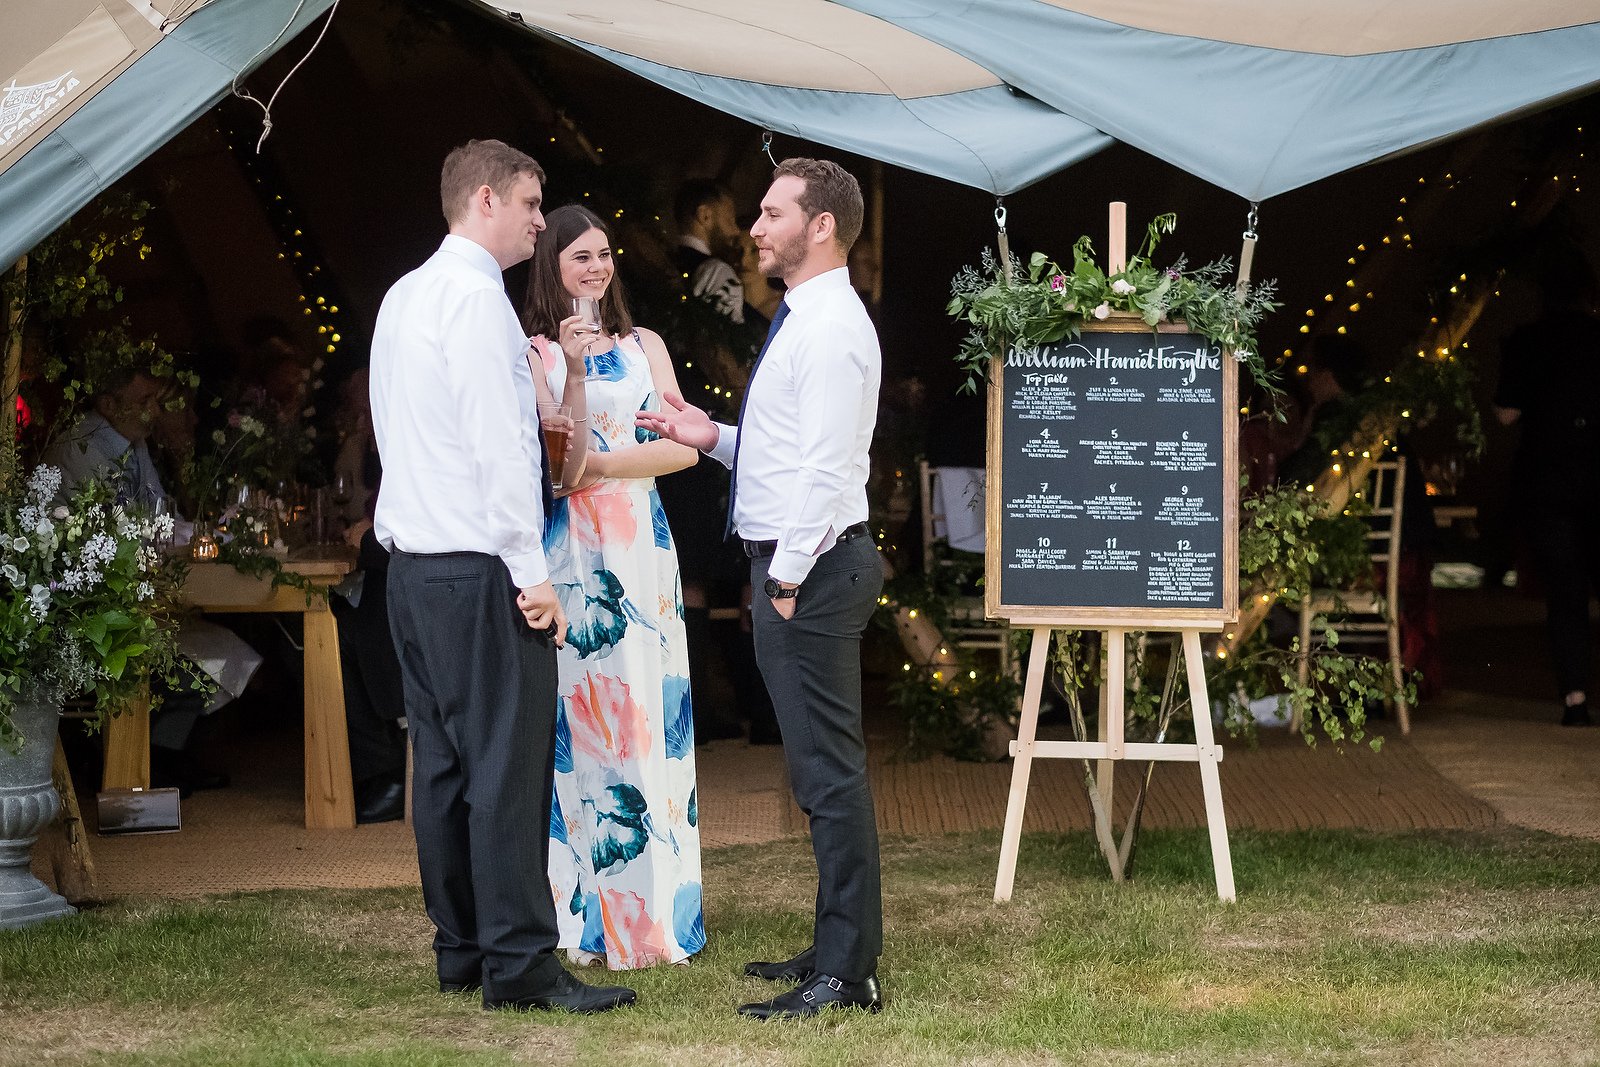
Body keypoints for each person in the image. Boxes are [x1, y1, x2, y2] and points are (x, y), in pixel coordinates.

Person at [369, 138, 635, 1014]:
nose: (537, 217)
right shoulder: (478, 303)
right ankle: (521, 965)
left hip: (411, 569)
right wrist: (534, 573)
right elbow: (502, 447)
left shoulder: (403, 295)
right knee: (506, 771)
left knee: (442, 767)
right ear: (485, 199)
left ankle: (463, 952)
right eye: (530, 202)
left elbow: (392, 431)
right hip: (481, 569)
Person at [638, 157, 885, 1020]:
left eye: (774, 212)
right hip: (800, 564)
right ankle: (835, 946)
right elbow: (787, 454)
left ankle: (849, 973)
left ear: (821, 226)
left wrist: (781, 579)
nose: (757, 226)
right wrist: (710, 436)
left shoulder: (828, 327)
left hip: (810, 569)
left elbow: (824, 472)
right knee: (815, 773)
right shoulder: (806, 317)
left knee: (829, 775)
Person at [521, 204, 706, 970]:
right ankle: (585, 916)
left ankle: (658, 916)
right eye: (579, 258)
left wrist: (603, 467)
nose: (596, 268)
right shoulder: (533, 349)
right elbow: (554, 465)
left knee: (648, 706)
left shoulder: (646, 345)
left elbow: (683, 451)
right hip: (574, 552)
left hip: (640, 543)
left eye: (603, 255)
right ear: (552, 270)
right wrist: (567, 376)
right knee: (587, 721)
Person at [1493, 254, 1600, 727]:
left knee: (1566, 593)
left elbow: (1506, 413)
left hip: (1548, 480)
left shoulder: (1527, 340)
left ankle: (1575, 698)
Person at [673, 179, 745, 323]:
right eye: (730, 219)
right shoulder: (717, 272)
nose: (736, 230)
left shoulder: (659, 258)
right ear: (705, 216)